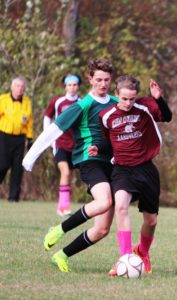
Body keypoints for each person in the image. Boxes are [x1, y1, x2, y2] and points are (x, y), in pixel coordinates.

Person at [22, 58, 118, 272]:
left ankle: (62, 255)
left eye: (107, 80)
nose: (103, 84)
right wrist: (30, 157)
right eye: (99, 79)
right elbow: (53, 130)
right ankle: (58, 229)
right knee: (104, 202)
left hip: (112, 163)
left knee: (102, 229)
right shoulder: (82, 105)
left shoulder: (115, 102)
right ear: (90, 79)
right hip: (89, 161)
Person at [88, 75, 172, 276]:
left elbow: (167, 117)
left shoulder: (144, 107)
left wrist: (158, 99)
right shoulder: (106, 116)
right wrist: (98, 147)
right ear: (116, 95)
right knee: (122, 207)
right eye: (124, 98)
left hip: (146, 169)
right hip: (122, 170)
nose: (128, 103)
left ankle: (142, 252)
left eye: (132, 99)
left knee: (151, 221)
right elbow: (109, 142)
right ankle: (125, 258)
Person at [43, 74, 82, 216]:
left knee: (69, 175)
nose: (72, 88)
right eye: (69, 85)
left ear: (78, 86)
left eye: (75, 85)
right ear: (65, 86)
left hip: (76, 146)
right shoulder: (58, 101)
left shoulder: (82, 102)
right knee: (65, 172)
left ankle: (62, 206)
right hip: (59, 143)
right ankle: (64, 207)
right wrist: (48, 137)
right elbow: (47, 116)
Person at [0, 76, 33, 202]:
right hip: (4, 136)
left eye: (22, 87)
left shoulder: (26, 101)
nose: (20, 89)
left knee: (17, 169)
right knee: (2, 165)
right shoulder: (3, 100)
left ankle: (13, 198)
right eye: (18, 86)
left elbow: (29, 122)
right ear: (12, 87)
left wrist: (30, 139)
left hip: (20, 138)